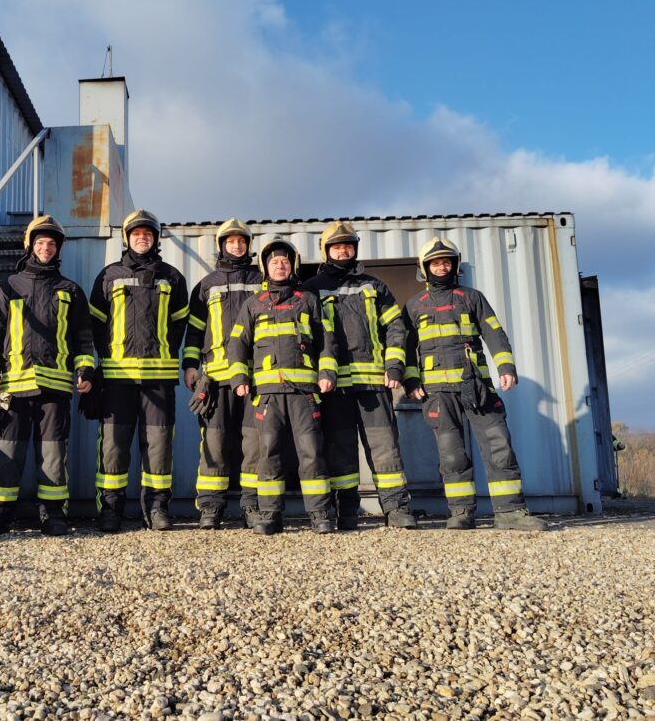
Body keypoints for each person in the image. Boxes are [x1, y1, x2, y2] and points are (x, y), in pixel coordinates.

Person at [403, 237, 546, 531]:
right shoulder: (414, 305)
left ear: (454, 265)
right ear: (424, 268)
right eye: (435, 263)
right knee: (451, 454)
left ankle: (510, 512)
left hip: (477, 387)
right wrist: (411, 380)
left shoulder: (472, 297)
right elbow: (404, 348)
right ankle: (461, 513)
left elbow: (494, 333)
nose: (442, 267)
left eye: (446, 262)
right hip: (437, 394)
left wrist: (505, 366)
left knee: (499, 445)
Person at [0, 215, 96, 536]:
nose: (46, 248)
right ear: (30, 246)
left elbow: (83, 337)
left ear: (58, 249)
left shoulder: (71, 291)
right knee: (8, 451)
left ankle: (52, 514)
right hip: (14, 386)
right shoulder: (8, 286)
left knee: (52, 455)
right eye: (40, 243)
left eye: (51, 244)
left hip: (56, 388)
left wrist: (85, 369)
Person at [304, 221, 417, 530]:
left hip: (373, 382)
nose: (343, 251)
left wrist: (394, 366)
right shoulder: (312, 288)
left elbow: (396, 328)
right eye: (337, 246)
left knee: (385, 448)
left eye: (348, 246)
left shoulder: (374, 285)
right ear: (326, 251)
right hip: (333, 386)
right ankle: (347, 511)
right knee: (339, 450)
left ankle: (396, 509)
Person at [227, 236, 337, 535]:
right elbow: (236, 343)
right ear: (265, 267)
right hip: (267, 396)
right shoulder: (253, 304)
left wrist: (327, 372)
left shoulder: (308, 300)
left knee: (311, 452)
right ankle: (270, 515)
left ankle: (319, 514)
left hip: (304, 394)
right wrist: (239, 378)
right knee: (268, 453)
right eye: (274, 262)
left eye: (285, 262)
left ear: (293, 267)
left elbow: (326, 341)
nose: (280, 266)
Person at [88, 210, 190, 532]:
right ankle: (111, 509)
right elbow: (96, 323)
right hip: (117, 379)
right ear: (127, 238)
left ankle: (157, 509)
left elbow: (179, 324)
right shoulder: (109, 276)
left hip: (159, 378)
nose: (142, 238)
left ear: (155, 239)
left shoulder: (172, 277)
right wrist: (107, 358)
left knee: (159, 446)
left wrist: (164, 351)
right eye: (136, 233)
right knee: (113, 447)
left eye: (148, 233)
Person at [182, 219, 263, 529]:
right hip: (216, 378)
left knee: (255, 443)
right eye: (231, 241)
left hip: (255, 377)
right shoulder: (207, 285)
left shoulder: (262, 281)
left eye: (241, 241)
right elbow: (194, 330)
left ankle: (252, 504)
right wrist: (190, 365)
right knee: (214, 443)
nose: (237, 245)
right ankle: (210, 507)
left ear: (248, 245)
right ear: (221, 245)